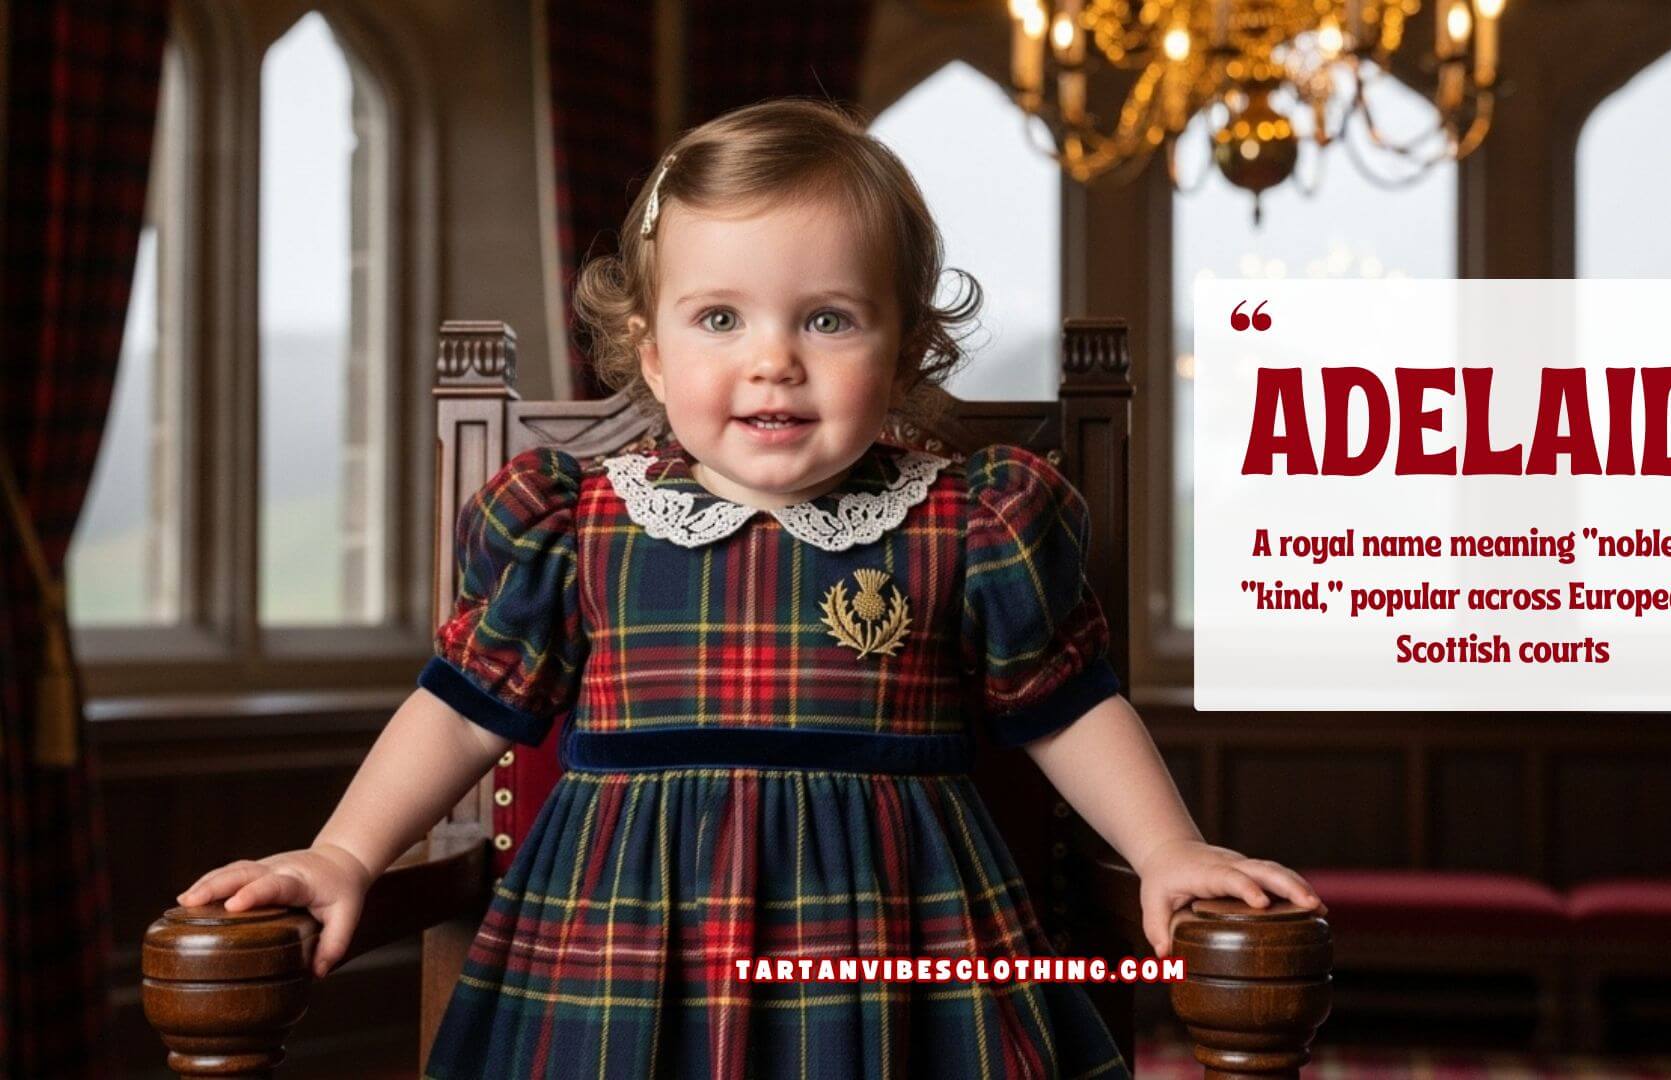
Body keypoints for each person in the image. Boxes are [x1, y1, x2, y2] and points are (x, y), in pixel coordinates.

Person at [175, 97, 1322, 1078]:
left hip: (898, 956)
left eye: (828, 318)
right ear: (655, 353)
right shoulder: (575, 525)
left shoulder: (966, 522)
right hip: (617, 954)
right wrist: (341, 854)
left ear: (906, 348)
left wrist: (1170, 851)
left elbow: (1068, 707)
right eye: (720, 318)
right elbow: (463, 706)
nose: (774, 357)